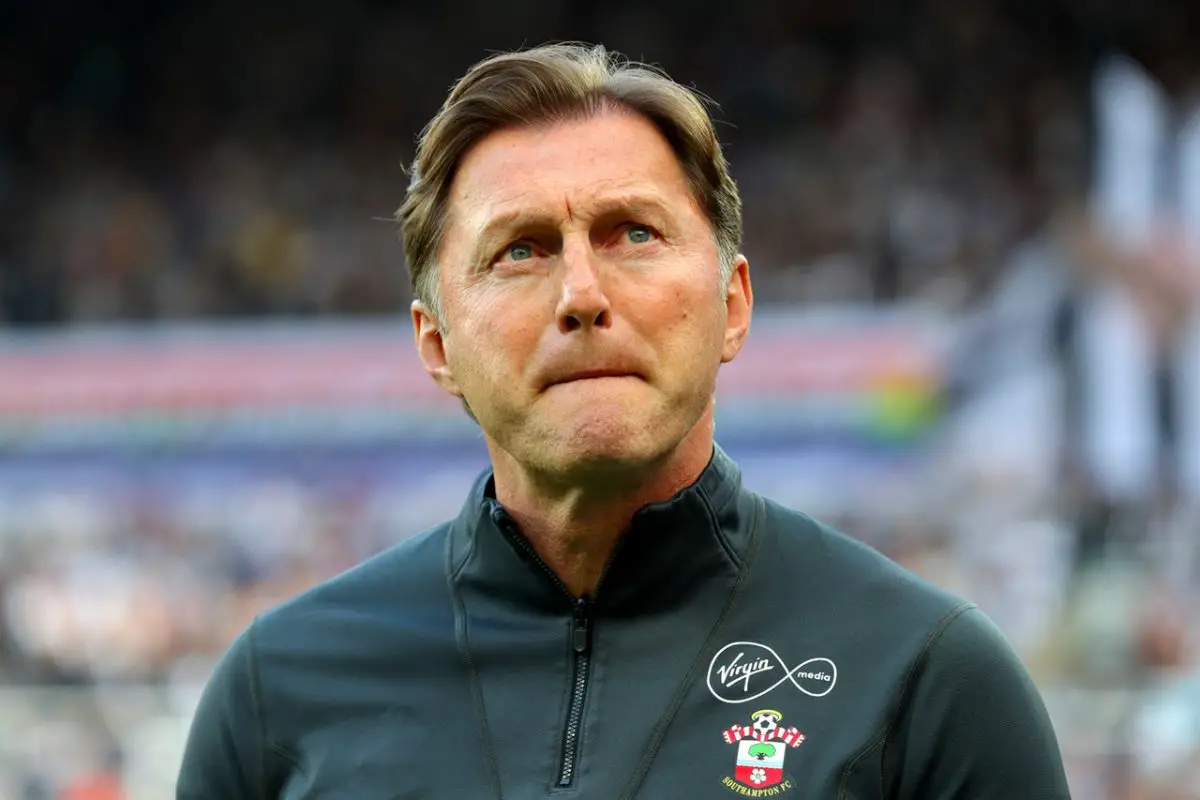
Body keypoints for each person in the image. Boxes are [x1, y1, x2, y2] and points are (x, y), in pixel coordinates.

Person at [176, 43, 1072, 799]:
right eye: (519, 250)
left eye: (634, 233)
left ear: (732, 304)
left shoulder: (926, 681)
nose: (581, 294)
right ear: (436, 344)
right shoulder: (274, 696)